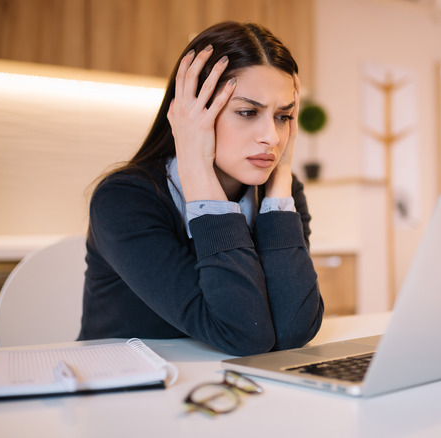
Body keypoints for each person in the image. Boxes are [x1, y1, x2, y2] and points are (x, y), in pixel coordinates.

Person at [78, 21, 324, 356]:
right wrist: (195, 168)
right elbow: (244, 335)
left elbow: (294, 331)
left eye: (283, 117)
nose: (272, 137)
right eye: (248, 112)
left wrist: (281, 180)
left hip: (225, 387)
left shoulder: (280, 194)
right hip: (124, 390)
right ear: (192, 112)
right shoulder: (124, 199)